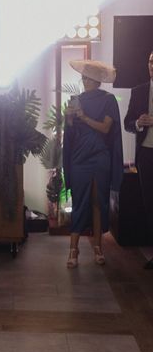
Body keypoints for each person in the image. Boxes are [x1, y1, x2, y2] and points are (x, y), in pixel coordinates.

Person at [63, 60, 123, 268]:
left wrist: (84, 117)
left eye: (89, 77)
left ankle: (98, 247)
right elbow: (71, 134)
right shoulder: (76, 100)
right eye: (84, 77)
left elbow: (106, 128)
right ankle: (73, 249)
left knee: (98, 202)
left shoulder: (109, 100)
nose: (85, 80)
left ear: (98, 80)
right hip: (79, 157)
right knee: (79, 201)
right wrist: (69, 119)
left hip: (100, 156)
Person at [124, 51, 153, 269]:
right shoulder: (139, 91)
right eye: (151, 62)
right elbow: (127, 123)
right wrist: (138, 123)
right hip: (145, 153)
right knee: (149, 204)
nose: (152, 65)